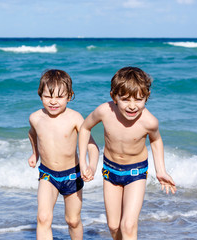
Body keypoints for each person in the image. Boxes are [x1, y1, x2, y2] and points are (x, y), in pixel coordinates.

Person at [79, 66, 176, 240]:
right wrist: (84, 163)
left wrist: (161, 170)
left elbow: (156, 140)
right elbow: (85, 128)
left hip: (136, 172)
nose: (132, 106)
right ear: (113, 96)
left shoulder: (149, 122)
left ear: (146, 97)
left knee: (128, 225)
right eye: (125, 99)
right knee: (114, 226)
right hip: (110, 171)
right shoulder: (104, 111)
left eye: (139, 100)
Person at [28, 69, 99, 240]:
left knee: (73, 220)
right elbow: (32, 134)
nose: (53, 102)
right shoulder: (35, 118)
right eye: (48, 97)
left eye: (59, 97)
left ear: (69, 96)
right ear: (40, 96)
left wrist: (91, 166)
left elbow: (92, 146)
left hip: (72, 175)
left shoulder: (75, 118)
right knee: (43, 218)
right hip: (47, 174)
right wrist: (34, 154)